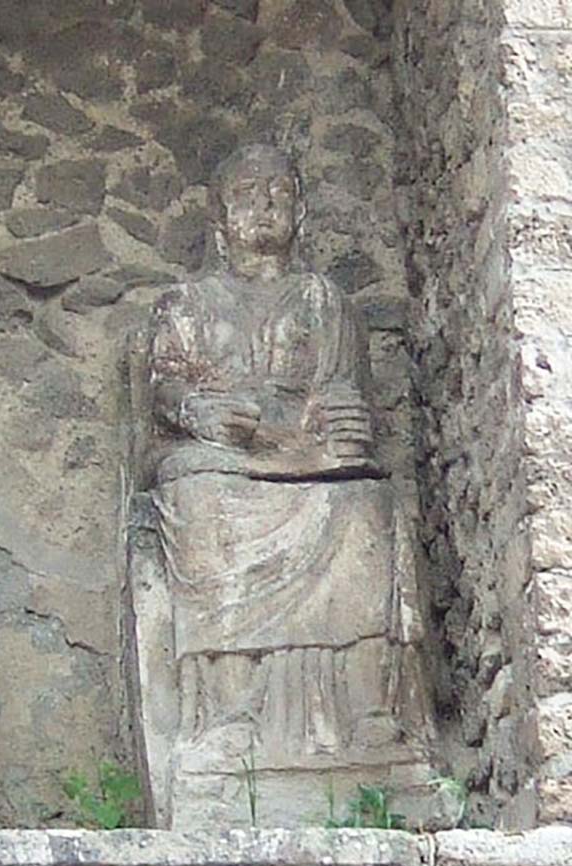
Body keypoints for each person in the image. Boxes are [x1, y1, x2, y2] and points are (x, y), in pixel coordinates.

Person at [146, 144, 430, 784]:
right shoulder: (186, 303)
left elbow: (343, 397)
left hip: (306, 458)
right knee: (200, 500)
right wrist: (200, 411)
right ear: (220, 219)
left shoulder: (324, 301)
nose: (265, 206)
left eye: (279, 193)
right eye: (248, 194)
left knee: (365, 504)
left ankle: (368, 709)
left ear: (300, 211)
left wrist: (342, 420)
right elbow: (163, 392)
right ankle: (231, 711)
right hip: (225, 459)